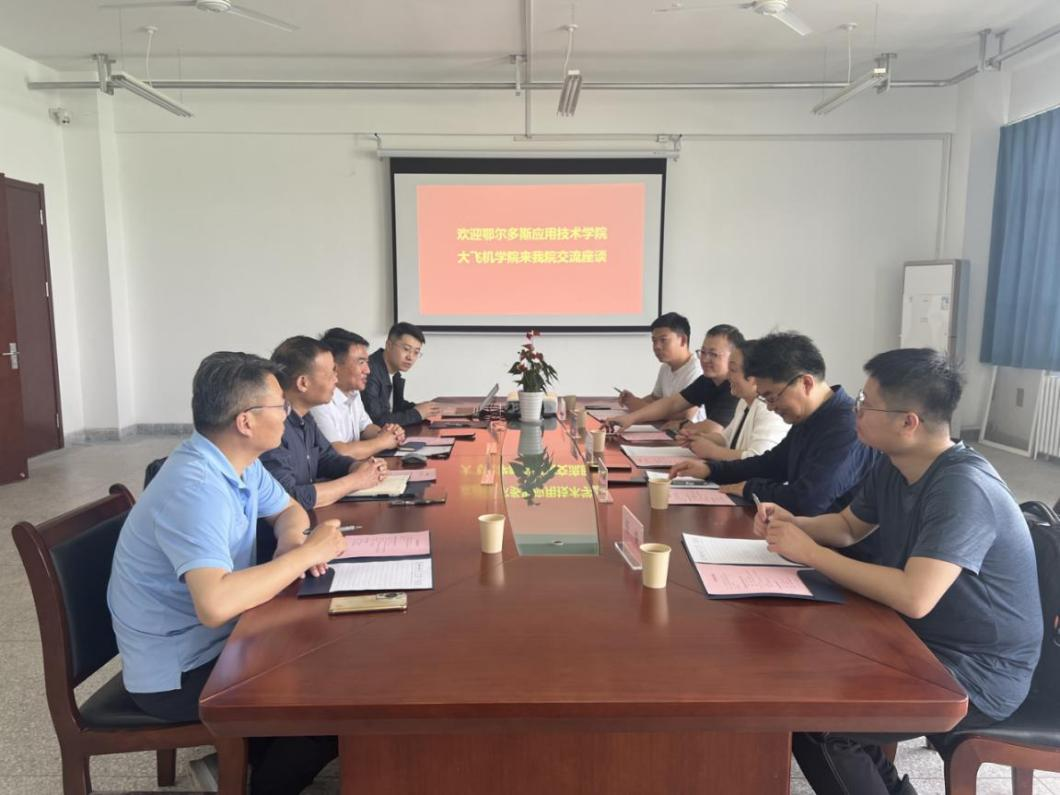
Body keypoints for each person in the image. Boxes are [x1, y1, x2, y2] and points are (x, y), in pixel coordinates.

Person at [755, 348, 1042, 795]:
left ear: (908, 422)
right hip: (919, 641)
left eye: (866, 404)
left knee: (822, 725)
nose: (856, 410)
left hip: (977, 671)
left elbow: (915, 596)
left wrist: (810, 552)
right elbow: (848, 527)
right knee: (802, 679)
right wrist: (795, 524)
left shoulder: (962, 487)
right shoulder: (896, 464)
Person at [107, 352, 347, 793]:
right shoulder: (195, 487)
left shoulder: (238, 462)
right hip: (180, 671)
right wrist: (302, 556)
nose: (287, 414)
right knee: (330, 703)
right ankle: (256, 781)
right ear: (246, 421)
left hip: (223, 639)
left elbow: (290, 510)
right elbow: (215, 605)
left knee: (330, 655)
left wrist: (293, 542)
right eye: (278, 406)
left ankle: (237, 763)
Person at [671, 331, 877, 514]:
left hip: (829, 542)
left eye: (772, 397)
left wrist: (749, 489)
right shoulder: (809, 416)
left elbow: (808, 500)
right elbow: (771, 464)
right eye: (764, 398)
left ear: (805, 383)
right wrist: (711, 470)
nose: (770, 407)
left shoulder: (847, 427)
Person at [261, 336, 387, 511]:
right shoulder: (271, 427)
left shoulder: (306, 417)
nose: (336, 379)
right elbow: (288, 497)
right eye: (331, 373)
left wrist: (357, 467)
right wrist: (356, 481)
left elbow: (326, 458)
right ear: (303, 383)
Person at [610, 324, 743, 432]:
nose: (705, 359)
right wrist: (630, 418)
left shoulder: (735, 386)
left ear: (734, 357)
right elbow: (672, 403)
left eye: (713, 354)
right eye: (703, 352)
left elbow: (713, 429)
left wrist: (681, 426)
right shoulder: (707, 380)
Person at [678, 337, 789, 461]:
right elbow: (726, 439)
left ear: (754, 377)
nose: (727, 375)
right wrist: (698, 437)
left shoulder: (769, 410)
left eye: (733, 370)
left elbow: (758, 458)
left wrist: (713, 452)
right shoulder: (743, 402)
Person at [312, 327, 407, 457]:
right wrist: (383, 442)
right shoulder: (319, 401)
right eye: (361, 362)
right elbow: (338, 452)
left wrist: (387, 433)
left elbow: (365, 428)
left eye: (367, 362)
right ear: (334, 366)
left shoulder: (353, 392)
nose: (367, 370)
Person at [615, 312, 703, 422]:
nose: (657, 346)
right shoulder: (665, 367)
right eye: (654, 341)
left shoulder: (697, 370)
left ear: (683, 340)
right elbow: (655, 399)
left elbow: (685, 415)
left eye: (663, 340)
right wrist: (632, 400)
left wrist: (639, 407)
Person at [362, 322, 441, 427]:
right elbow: (376, 420)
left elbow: (395, 406)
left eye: (416, 352)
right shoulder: (369, 372)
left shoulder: (394, 373)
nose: (410, 357)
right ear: (389, 345)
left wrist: (419, 408)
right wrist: (417, 413)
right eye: (406, 349)